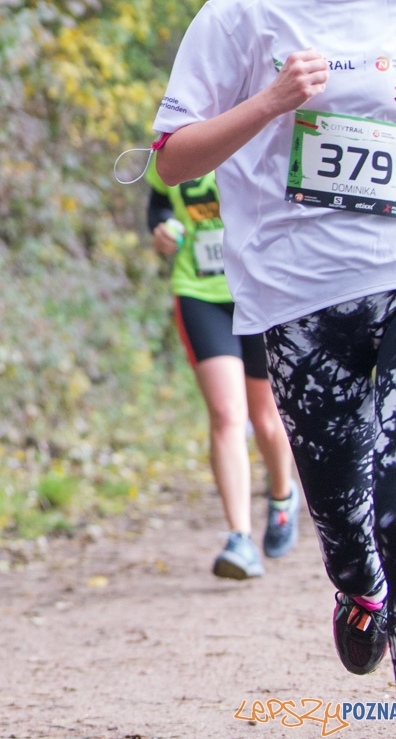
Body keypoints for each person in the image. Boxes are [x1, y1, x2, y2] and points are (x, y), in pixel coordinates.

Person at [153, 0, 396, 732]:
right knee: (348, 521)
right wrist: (270, 101)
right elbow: (173, 156)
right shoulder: (242, 13)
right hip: (296, 296)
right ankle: (358, 592)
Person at [144, 160, 297, 579]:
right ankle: (239, 539)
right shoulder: (176, 143)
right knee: (227, 414)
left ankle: (282, 498)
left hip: (260, 291)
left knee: (266, 418)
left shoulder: (264, 129)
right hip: (200, 292)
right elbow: (159, 205)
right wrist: (162, 230)